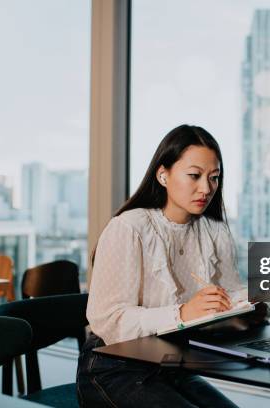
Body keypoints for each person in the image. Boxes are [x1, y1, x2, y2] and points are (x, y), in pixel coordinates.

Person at [76, 125, 245, 407]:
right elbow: (108, 319)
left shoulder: (215, 232)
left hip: (171, 366)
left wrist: (250, 304)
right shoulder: (129, 228)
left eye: (214, 178)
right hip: (113, 367)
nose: (206, 188)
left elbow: (232, 294)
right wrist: (182, 313)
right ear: (163, 174)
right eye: (194, 175)